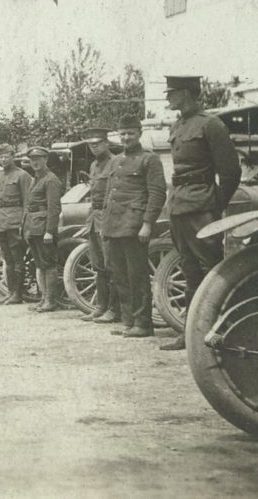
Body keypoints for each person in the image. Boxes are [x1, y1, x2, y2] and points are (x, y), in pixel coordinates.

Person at [161, 75, 241, 350]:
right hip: (180, 204)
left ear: (186, 93)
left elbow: (230, 171)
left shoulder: (211, 124)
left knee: (211, 269)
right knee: (189, 268)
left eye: (171, 92)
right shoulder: (178, 125)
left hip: (201, 204)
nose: (167, 96)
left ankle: (222, 330)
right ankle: (191, 333)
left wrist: (215, 204)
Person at [104, 115, 167, 338]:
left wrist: (147, 224)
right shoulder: (116, 160)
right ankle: (128, 321)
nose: (126, 137)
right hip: (114, 225)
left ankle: (143, 323)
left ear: (139, 133)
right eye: (122, 134)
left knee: (137, 276)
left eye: (130, 133)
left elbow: (157, 194)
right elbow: (109, 195)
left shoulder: (149, 160)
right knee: (119, 275)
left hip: (134, 225)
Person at [78, 127, 120, 323]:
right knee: (98, 266)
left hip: (108, 217)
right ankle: (102, 306)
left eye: (97, 144)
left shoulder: (115, 162)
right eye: (90, 145)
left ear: (107, 143)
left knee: (111, 265)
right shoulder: (94, 165)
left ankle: (114, 309)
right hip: (94, 218)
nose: (94, 147)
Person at [0, 144, 32, 305]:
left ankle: (18, 294)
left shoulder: (22, 176)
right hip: (0, 222)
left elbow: (27, 201)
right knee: (8, 259)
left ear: (13, 157)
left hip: (15, 221)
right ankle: (10, 292)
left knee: (17, 258)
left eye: (6, 156)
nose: (3, 159)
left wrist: (24, 222)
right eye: (0, 157)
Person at [23, 147, 63, 312]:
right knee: (39, 265)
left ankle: (50, 301)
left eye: (39, 158)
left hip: (44, 228)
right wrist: (26, 228)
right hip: (34, 227)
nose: (35, 162)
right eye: (32, 159)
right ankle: (43, 298)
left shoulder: (50, 180)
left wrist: (50, 231)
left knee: (48, 264)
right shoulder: (35, 179)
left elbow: (54, 208)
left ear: (46, 159)